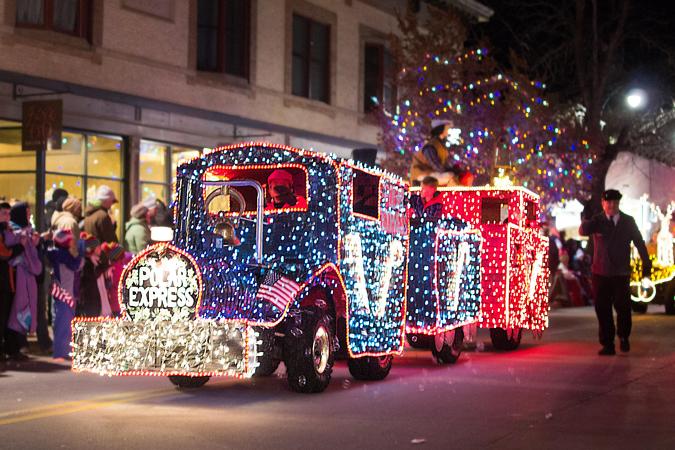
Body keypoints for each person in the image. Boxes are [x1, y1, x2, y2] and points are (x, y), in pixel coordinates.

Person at [579, 189, 652, 355]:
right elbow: (583, 231)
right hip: (601, 272)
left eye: (615, 202)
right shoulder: (597, 220)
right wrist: (586, 218)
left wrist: (646, 267)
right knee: (602, 309)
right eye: (608, 202)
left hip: (621, 273)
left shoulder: (628, 221)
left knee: (623, 308)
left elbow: (640, 244)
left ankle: (624, 337)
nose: (611, 205)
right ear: (603, 203)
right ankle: (608, 343)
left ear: (618, 204)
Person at [6, 202, 42, 359]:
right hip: (15, 278)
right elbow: (11, 253)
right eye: (26, 213)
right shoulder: (12, 231)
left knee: (22, 308)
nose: (29, 216)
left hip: (24, 278)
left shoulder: (27, 232)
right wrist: (24, 243)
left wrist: (35, 243)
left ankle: (19, 345)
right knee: (16, 310)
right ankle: (14, 347)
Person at [47, 229, 82, 360]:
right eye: (71, 240)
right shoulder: (62, 255)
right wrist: (81, 254)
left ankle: (64, 350)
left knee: (64, 322)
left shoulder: (57, 253)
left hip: (63, 292)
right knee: (63, 323)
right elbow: (76, 265)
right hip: (65, 293)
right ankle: (61, 352)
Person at [0, 202, 24, 360]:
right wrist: (18, 248)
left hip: (7, 280)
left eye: (8, 213)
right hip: (3, 281)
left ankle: (9, 347)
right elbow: (5, 253)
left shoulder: (7, 229)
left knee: (7, 316)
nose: (7, 216)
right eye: (3, 213)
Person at [410, 119, 458, 186]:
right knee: (450, 177)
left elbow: (442, 164)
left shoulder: (440, 145)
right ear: (441, 129)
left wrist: (452, 169)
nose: (448, 131)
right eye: (446, 128)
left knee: (453, 176)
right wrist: (449, 170)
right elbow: (435, 164)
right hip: (421, 175)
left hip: (431, 173)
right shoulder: (431, 145)